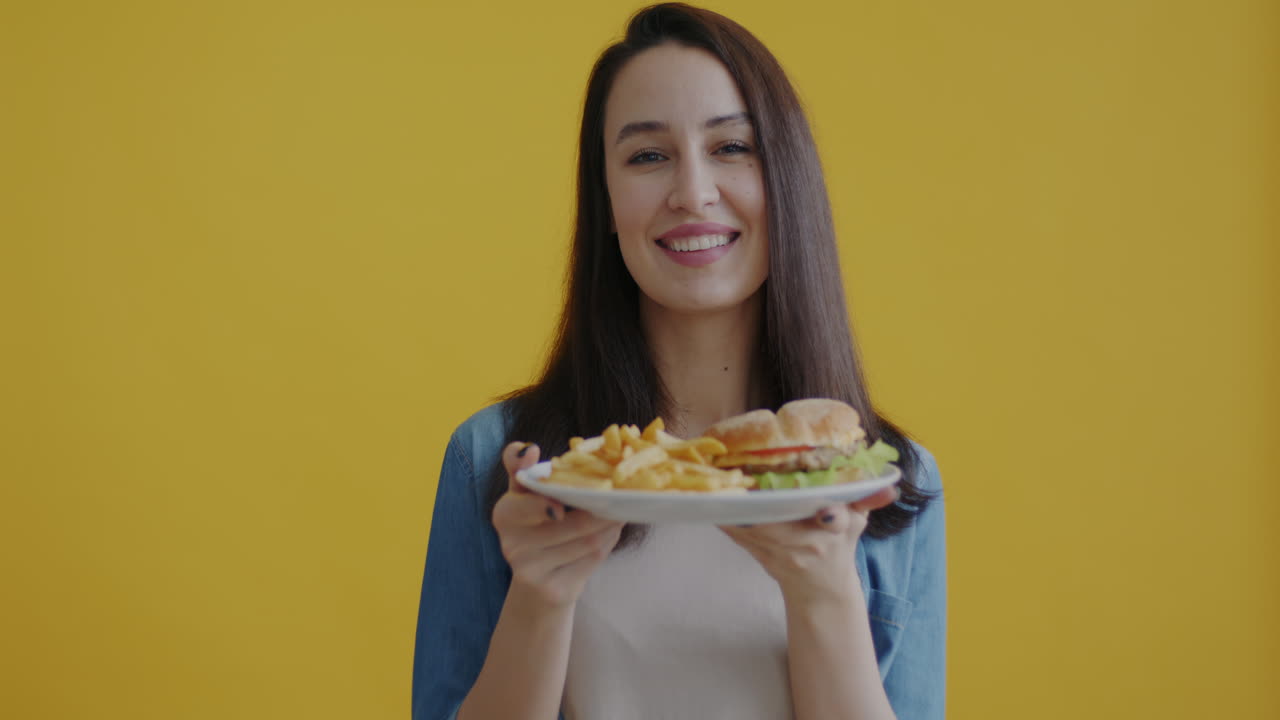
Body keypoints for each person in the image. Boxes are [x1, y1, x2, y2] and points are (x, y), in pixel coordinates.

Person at [412, 4, 946, 719]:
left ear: (785, 179)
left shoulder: (887, 482)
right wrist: (539, 596)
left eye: (732, 148)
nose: (692, 193)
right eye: (647, 156)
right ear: (604, 199)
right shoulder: (500, 461)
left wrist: (824, 595)